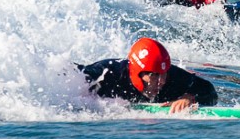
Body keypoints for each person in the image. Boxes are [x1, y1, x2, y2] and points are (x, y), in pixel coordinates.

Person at [79, 38, 218, 113]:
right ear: (137, 73)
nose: (161, 81)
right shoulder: (107, 74)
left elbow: (210, 91)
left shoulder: (173, 76)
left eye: (164, 74)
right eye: (155, 75)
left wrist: (190, 97)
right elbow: (66, 74)